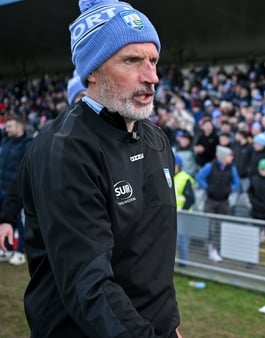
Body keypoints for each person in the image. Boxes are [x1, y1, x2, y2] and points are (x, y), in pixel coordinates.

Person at [16, 1, 182, 336]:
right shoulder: (64, 148)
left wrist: (169, 325)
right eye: (132, 60)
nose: (152, 77)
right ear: (92, 71)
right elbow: (87, 283)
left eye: (153, 60)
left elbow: (153, 261)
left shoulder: (157, 141)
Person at [195, 145, 240, 262]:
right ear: (223, 157)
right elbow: (199, 178)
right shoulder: (210, 166)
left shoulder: (232, 168)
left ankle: (215, 248)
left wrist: (230, 190)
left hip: (224, 201)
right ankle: (210, 247)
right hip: (211, 200)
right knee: (209, 224)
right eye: (229, 155)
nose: (231, 158)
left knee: (221, 226)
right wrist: (208, 188)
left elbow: (237, 183)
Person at [0, 114, 32, 265]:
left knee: (20, 221)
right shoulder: (5, 141)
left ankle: (19, 251)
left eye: (9, 126)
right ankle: (6, 249)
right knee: (5, 219)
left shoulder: (28, 144)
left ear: (20, 127)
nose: (7, 129)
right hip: (2, 188)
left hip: (17, 191)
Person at [174, 155, 196, 267]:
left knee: (182, 241)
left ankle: (183, 264)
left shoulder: (184, 178)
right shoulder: (170, 176)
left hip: (182, 215)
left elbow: (190, 199)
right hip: (173, 215)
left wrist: (182, 211)